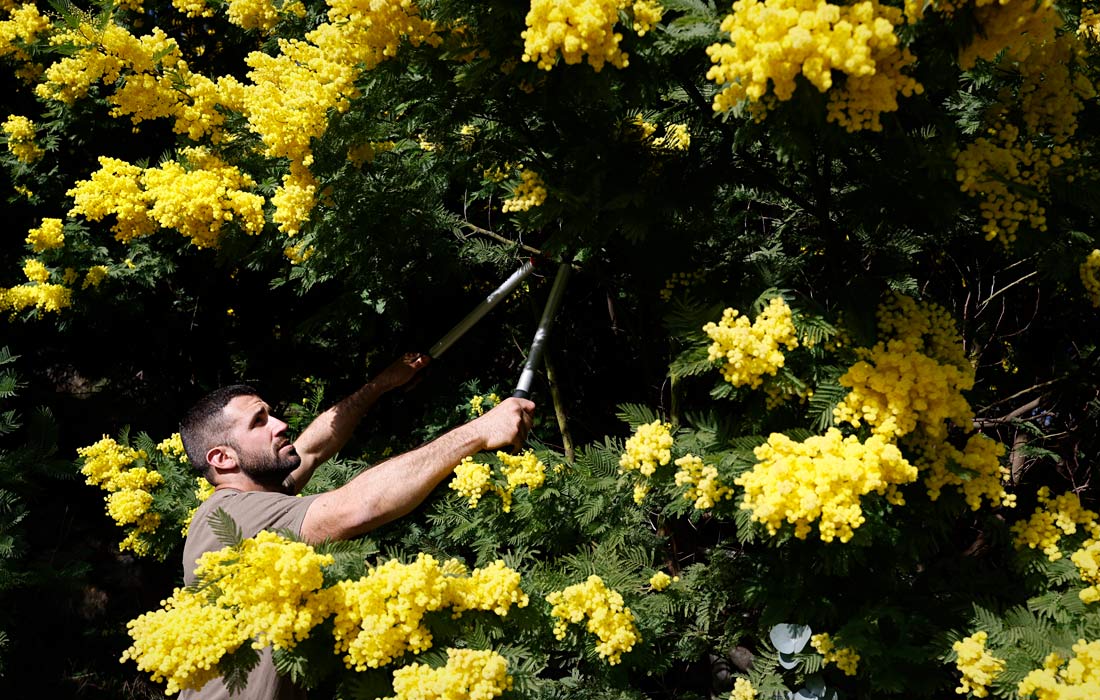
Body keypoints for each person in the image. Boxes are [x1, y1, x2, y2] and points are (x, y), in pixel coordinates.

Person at [177, 352, 535, 700]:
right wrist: (479, 432)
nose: (281, 424)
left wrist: (380, 384)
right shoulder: (231, 517)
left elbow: (314, 448)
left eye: (271, 414)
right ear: (222, 458)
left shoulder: (256, 501)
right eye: (259, 422)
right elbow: (359, 506)